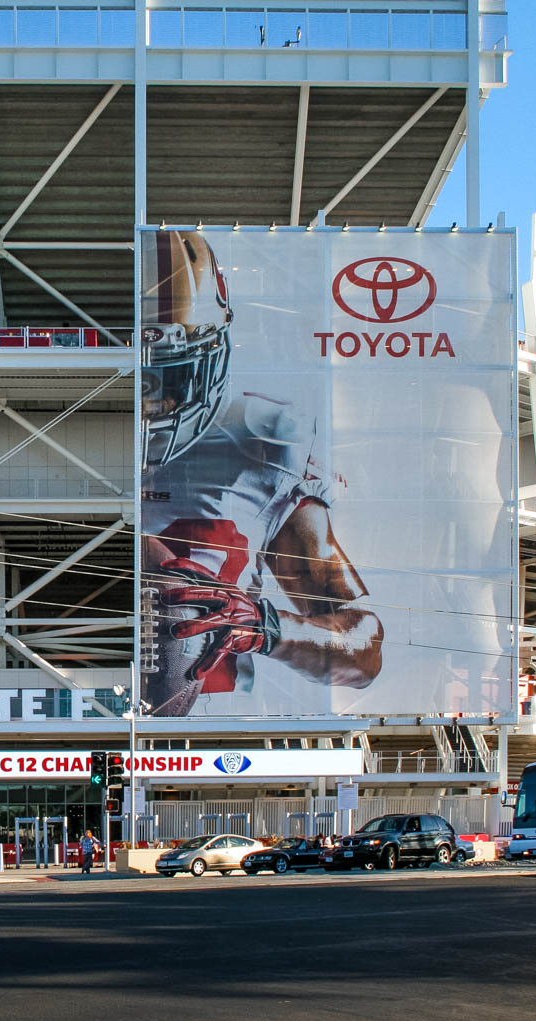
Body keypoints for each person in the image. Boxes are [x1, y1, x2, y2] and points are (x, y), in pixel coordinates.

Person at [140, 230, 383, 715]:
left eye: (168, 376)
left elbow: (364, 650)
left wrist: (266, 626)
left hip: (210, 728)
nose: (152, 403)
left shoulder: (261, 439)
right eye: (134, 383)